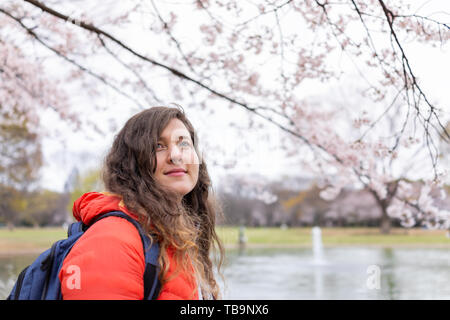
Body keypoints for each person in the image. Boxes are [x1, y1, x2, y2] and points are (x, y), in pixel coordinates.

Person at [58, 106, 224, 300]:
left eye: (184, 143)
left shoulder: (170, 234)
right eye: (158, 146)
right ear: (131, 165)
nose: (175, 155)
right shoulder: (113, 238)